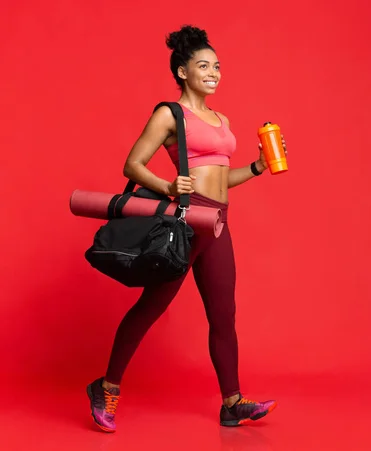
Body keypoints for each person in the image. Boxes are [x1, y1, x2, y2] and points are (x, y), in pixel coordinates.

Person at [86, 25, 285, 432]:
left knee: (224, 315)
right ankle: (106, 386)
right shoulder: (169, 114)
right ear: (182, 71)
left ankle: (231, 403)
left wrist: (257, 168)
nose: (213, 72)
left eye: (217, 66)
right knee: (151, 307)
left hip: (217, 224)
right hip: (187, 222)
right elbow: (132, 164)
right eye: (203, 66)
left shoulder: (220, 118)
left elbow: (219, 177)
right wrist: (167, 186)